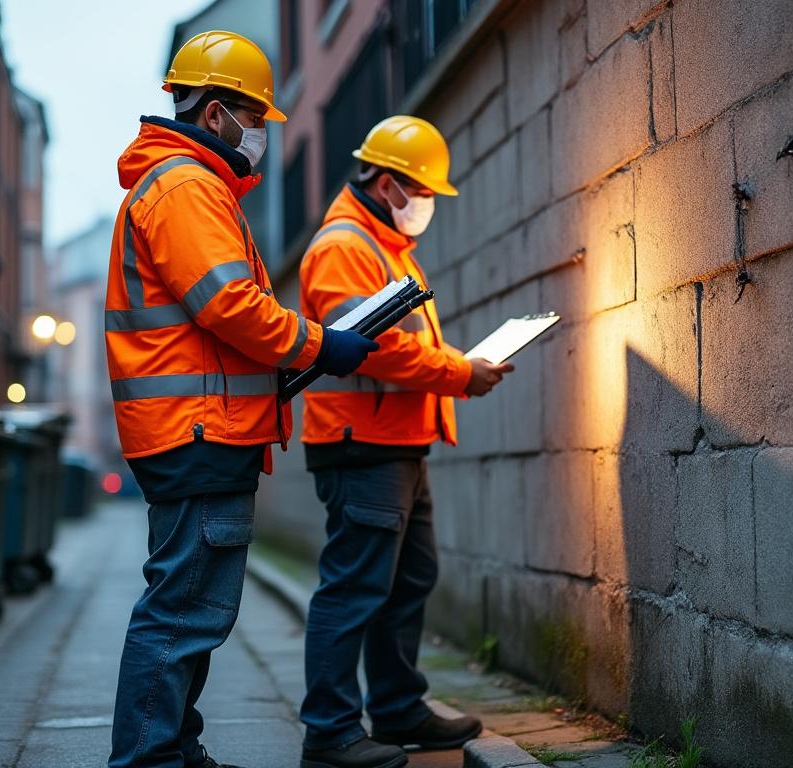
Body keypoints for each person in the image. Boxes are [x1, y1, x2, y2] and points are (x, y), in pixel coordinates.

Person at [105, 31, 378, 768]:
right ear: (216, 113)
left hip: (193, 430)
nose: (259, 132)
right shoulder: (187, 187)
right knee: (183, 611)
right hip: (198, 432)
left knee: (193, 607)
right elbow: (229, 304)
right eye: (254, 117)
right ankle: (150, 760)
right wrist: (321, 344)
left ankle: (174, 748)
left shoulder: (183, 184)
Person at [296, 115, 514, 768]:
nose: (425, 204)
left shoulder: (384, 246)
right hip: (361, 445)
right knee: (354, 590)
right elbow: (372, 348)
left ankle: (395, 709)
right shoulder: (344, 246)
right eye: (420, 191)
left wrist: (459, 367)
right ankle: (330, 734)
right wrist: (460, 373)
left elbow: (401, 345)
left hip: (394, 442)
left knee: (408, 579)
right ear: (387, 183)